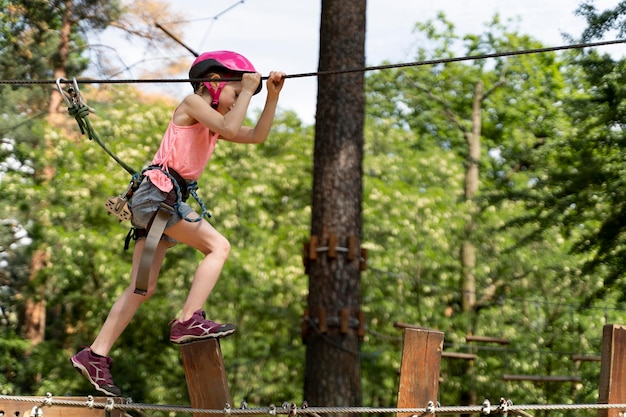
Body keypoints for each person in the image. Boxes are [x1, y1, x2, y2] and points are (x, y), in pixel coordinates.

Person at [70, 50, 286, 397]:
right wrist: (248, 89)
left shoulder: (212, 124)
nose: (234, 104)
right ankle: (188, 318)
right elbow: (231, 124)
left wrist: (271, 97)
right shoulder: (192, 103)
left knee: (142, 288)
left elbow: (256, 135)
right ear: (213, 84)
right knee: (218, 246)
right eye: (232, 95)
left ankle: (94, 354)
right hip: (158, 195)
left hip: (159, 200)